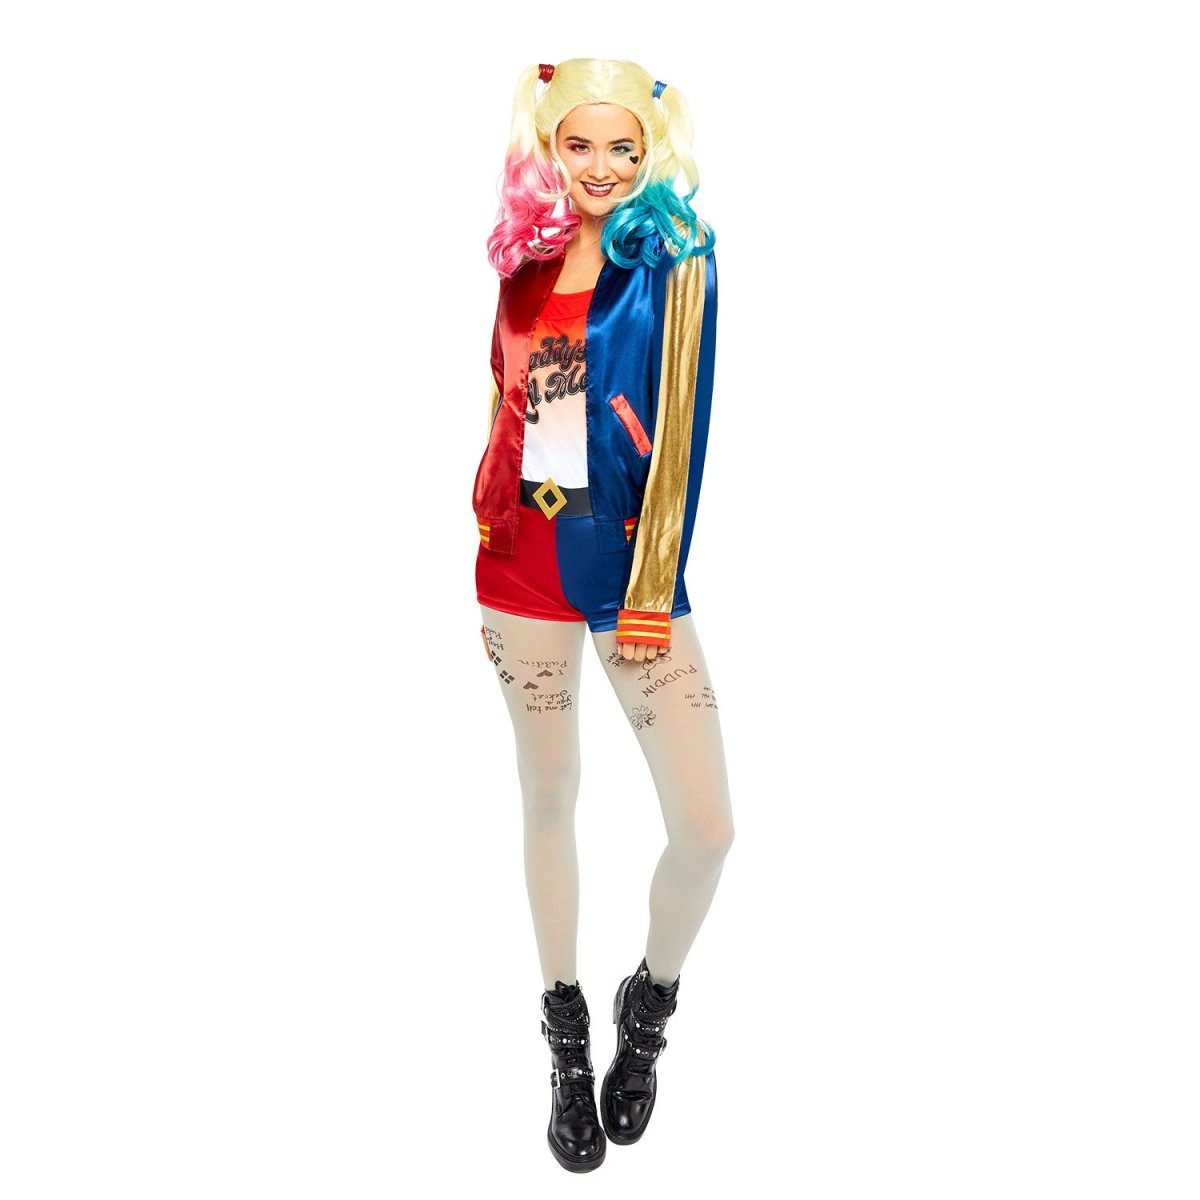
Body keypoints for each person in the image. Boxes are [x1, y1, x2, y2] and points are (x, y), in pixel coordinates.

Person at [472, 58, 734, 1172]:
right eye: (578, 144)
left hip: (632, 577)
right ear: (550, 146)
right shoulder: (527, 258)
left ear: (650, 149)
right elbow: (524, 404)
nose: (602, 167)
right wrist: (490, 502)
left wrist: (647, 591)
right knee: (549, 794)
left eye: (623, 146)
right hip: (523, 561)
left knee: (707, 827)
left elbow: (681, 429)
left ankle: (650, 1003)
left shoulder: (677, 258)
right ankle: (567, 1037)